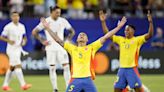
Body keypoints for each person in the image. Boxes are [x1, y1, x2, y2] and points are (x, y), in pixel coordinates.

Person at [40, 15, 127, 92]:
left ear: (87, 40)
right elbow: (58, 40)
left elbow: (106, 36)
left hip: (88, 80)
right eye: (80, 35)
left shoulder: (91, 48)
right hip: (75, 80)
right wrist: (47, 28)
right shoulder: (72, 48)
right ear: (77, 39)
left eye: (84, 35)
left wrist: (119, 27)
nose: (81, 35)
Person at [99, 10, 154, 92]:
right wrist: (103, 22)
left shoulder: (137, 40)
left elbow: (150, 35)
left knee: (138, 89)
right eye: (125, 30)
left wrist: (150, 22)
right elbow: (107, 34)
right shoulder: (121, 40)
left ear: (133, 31)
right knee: (116, 89)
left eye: (128, 29)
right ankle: (129, 89)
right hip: (122, 69)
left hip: (132, 69)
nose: (126, 31)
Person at [32, 6, 75, 92]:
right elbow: (34, 32)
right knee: (52, 68)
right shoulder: (46, 21)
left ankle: (68, 88)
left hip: (61, 47)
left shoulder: (63, 21)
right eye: (56, 12)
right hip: (50, 47)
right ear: (51, 12)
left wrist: (68, 40)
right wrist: (42, 41)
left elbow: (72, 31)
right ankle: (55, 89)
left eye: (59, 12)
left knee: (66, 67)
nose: (58, 14)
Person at [0, 12, 31, 91]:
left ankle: (5, 85)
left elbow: (24, 37)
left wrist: (24, 42)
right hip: (11, 49)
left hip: (18, 49)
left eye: (17, 16)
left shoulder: (22, 26)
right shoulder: (8, 27)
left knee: (12, 67)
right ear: (11, 17)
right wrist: (9, 41)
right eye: (14, 16)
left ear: (19, 17)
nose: (15, 17)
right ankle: (23, 85)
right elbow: (2, 37)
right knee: (18, 65)